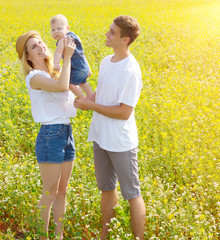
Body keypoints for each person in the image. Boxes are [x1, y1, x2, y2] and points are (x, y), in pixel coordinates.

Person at [73, 15, 146, 239]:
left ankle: (139, 238)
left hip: (121, 142)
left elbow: (124, 112)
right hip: (101, 136)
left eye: (112, 32)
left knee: (132, 194)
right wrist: (85, 96)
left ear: (125, 39)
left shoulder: (130, 71)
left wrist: (91, 105)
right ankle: (105, 234)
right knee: (106, 189)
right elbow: (101, 95)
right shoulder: (106, 61)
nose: (107, 34)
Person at [16, 30, 77, 240]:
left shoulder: (54, 72)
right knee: (49, 192)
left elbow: (68, 89)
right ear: (28, 58)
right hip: (50, 135)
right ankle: (43, 237)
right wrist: (67, 56)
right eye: (33, 46)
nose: (40, 46)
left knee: (62, 190)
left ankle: (58, 236)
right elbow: (62, 87)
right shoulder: (34, 78)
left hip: (66, 132)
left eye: (40, 42)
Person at [50, 14, 93, 100]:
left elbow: (58, 52)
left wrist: (56, 63)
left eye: (59, 28)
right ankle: (91, 96)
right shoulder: (74, 36)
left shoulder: (62, 40)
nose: (56, 32)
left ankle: (83, 99)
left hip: (76, 68)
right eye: (53, 30)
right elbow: (81, 51)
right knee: (83, 82)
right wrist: (88, 68)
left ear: (67, 28)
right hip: (83, 66)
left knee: (70, 84)